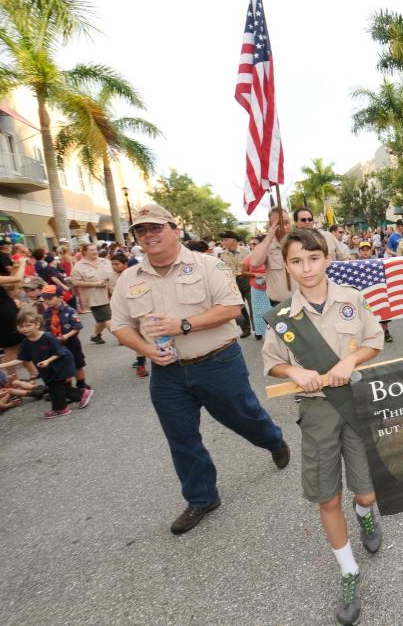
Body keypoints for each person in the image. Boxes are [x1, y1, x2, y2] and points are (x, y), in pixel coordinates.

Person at [109, 204, 290, 535]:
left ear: (174, 230)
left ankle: (273, 440)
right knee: (180, 436)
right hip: (167, 374)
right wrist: (147, 350)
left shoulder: (209, 266)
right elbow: (119, 325)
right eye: (141, 231)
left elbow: (233, 308)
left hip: (218, 363)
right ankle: (202, 498)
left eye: (155, 228)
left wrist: (185, 324)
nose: (148, 235)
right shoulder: (128, 279)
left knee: (244, 416)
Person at [261, 229, 384, 626]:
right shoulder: (281, 316)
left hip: (356, 405)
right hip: (316, 413)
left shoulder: (351, 299)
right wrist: (294, 368)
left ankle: (364, 513)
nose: (307, 268)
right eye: (296, 261)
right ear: (288, 265)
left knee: (366, 491)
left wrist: (351, 361)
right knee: (327, 497)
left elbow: (374, 340)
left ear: (327, 258)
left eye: (313, 259)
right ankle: (348, 571)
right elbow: (272, 361)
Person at [0, 310, 92, 418]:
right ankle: (80, 396)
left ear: (37, 324)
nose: (24, 329)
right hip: (47, 367)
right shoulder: (26, 342)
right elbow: (21, 359)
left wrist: (48, 361)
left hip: (61, 364)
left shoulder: (47, 337)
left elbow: (60, 352)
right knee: (56, 387)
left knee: (55, 386)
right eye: (21, 326)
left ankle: (62, 408)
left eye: (28, 325)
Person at [41, 285, 91, 393]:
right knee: (62, 365)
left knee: (78, 363)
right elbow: (46, 328)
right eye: (45, 299)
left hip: (71, 342)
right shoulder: (47, 313)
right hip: (56, 344)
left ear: (60, 297)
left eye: (49, 298)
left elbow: (77, 327)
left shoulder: (70, 310)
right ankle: (68, 388)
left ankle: (81, 383)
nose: (47, 301)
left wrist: (66, 336)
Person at [248, 206, 294, 306]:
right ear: (271, 226)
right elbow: (254, 263)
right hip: (280, 305)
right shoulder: (267, 247)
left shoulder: (301, 243)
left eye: (286, 222)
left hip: (305, 302)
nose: (284, 227)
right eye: (278, 224)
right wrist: (269, 236)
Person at [70, 242, 114, 344]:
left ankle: (95, 335)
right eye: (92, 250)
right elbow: (75, 282)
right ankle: (122, 338)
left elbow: (113, 274)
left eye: (96, 249)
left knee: (101, 319)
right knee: (108, 318)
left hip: (111, 294)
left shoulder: (105, 262)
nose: (95, 252)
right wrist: (96, 283)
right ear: (84, 252)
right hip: (95, 297)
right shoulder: (79, 266)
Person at [218, 231, 252, 339]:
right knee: (240, 307)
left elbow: (250, 266)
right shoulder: (222, 255)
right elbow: (222, 269)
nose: (223, 242)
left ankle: (259, 329)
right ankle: (245, 329)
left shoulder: (246, 251)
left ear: (233, 240)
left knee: (252, 305)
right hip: (233, 283)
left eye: (225, 239)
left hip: (247, 281)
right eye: (223, 240)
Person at [245, 241, 270, 341]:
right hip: (256, 288)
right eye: (252, 244)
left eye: (256, 243)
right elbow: (243, 271)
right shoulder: (249, 257)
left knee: (273, 310)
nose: (253, 245)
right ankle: (259, 332)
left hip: (272, 287)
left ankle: (276, 331)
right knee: (258, 311)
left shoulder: (271, 256)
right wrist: (255, 274)